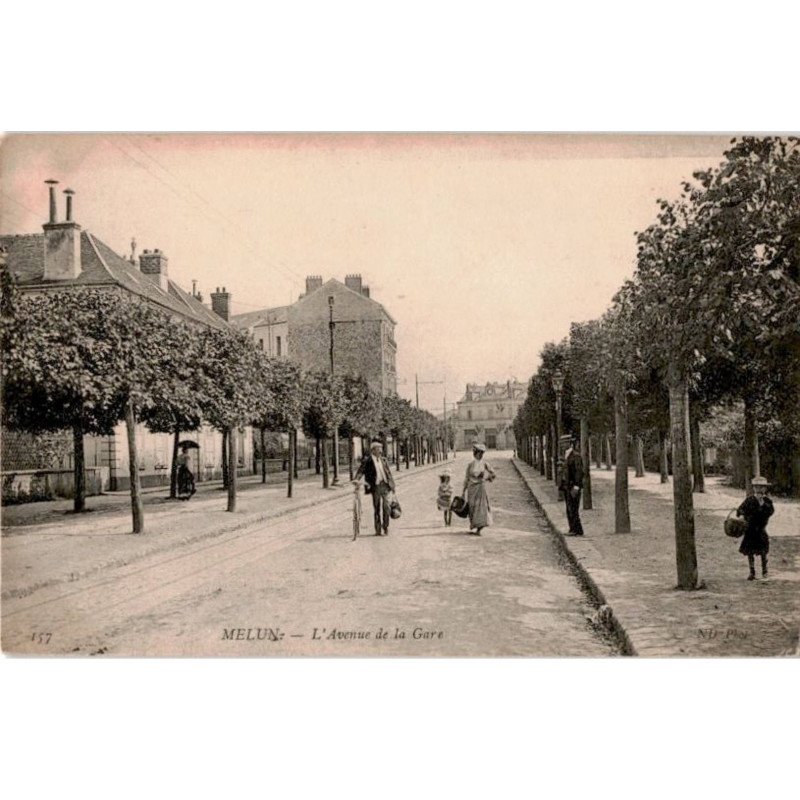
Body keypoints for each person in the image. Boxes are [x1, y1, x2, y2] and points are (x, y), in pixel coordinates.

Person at [736, 476, 774, 580]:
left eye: (762, 487)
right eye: (757, 487)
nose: (759, 489)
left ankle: (765, 571)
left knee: (763, 551)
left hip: (761, 529)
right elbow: (739, 510)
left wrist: (763, 504)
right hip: (750, 529)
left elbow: (770, 512)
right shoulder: (749, 500)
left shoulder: (767, 501)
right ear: (754, 488)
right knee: (750, 551)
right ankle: (752, 572)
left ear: (765, 488)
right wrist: (742, 515)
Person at [355, 440, 395, 536]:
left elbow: (388, 473)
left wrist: (392, 485)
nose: (380, 451)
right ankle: (378, 530)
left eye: (381, 449)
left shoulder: (384, 460)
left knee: (387, 507)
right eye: (378, 449)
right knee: (377, 508)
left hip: (385, 486)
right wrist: (356, 479)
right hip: (375, 487)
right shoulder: (367, 460)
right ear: (373, 450)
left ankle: (385, 527)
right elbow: (361, 470)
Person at [461, 443, 496, 535]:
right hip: (471, 489)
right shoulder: (470, 465)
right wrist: (463, 491)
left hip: (480, 488)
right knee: (472, 507)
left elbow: (493, 474)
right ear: (475, 453)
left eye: (482, 453)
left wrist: (487, 478)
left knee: (481, 507)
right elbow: (467, 478)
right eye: (479, 453)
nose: (480, 455)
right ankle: (475, 526)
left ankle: (479, 529)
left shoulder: (485, 464)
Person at [562, 434, 584, 536]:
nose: (562, 445)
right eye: (561, 443)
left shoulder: (575, 456)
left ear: (569, 443)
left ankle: (576, 530)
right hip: (567, 486)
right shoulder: (566, 455)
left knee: (573, 508)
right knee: (569, 508)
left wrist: (576, 486)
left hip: (573, 486)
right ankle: (574, 529)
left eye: (564, 443)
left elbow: (579, 472)